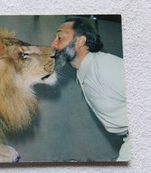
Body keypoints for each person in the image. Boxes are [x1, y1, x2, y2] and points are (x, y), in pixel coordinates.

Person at [51, 17, 130, 161]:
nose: (53, 45)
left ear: (80, 41)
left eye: (59, 37)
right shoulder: (86, 70)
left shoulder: (105, 65)